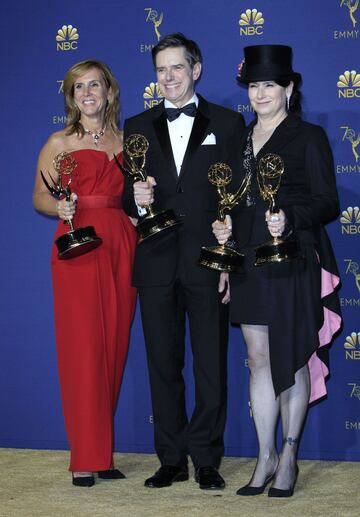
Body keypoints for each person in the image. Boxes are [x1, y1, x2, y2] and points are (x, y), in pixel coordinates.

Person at [213, 45, 341, 497]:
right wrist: (224, 241)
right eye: (254, 85)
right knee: (259, 358)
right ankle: (264, 454)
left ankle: (289, 454)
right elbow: (231, 203)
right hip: (248, 259)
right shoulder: (237, 142)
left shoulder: (308, 137)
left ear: (288, 88)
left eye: (270, 84)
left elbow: (328, 201)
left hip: (294, 258)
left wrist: (289, 215)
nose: (261, 93)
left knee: (292, 354)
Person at [122, 33, 245, 490]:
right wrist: (135, 199)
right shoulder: (136, 125)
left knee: (211, 363)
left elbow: (237, 196)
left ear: (196, 69)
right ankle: (170, 459)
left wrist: (229, 257)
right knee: (162, 364)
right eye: (160, 70)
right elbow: (125, 196)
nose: (168, 77)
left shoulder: (230, 123)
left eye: (177, 68)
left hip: (207, 260)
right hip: (155, 262)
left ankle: (207, 459)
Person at [33, 60, 137, 487]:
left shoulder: (128, 141)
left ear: (110, 92)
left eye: (95, 85)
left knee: (114, 345)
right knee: (83, 350)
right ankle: (83, 456)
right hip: (77, 246)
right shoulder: (59, 141)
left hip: (123, 243)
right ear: (71, 97)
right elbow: (40, 195)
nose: (88, 93)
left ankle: (101, 451)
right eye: (79, 87)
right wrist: (57, 206)